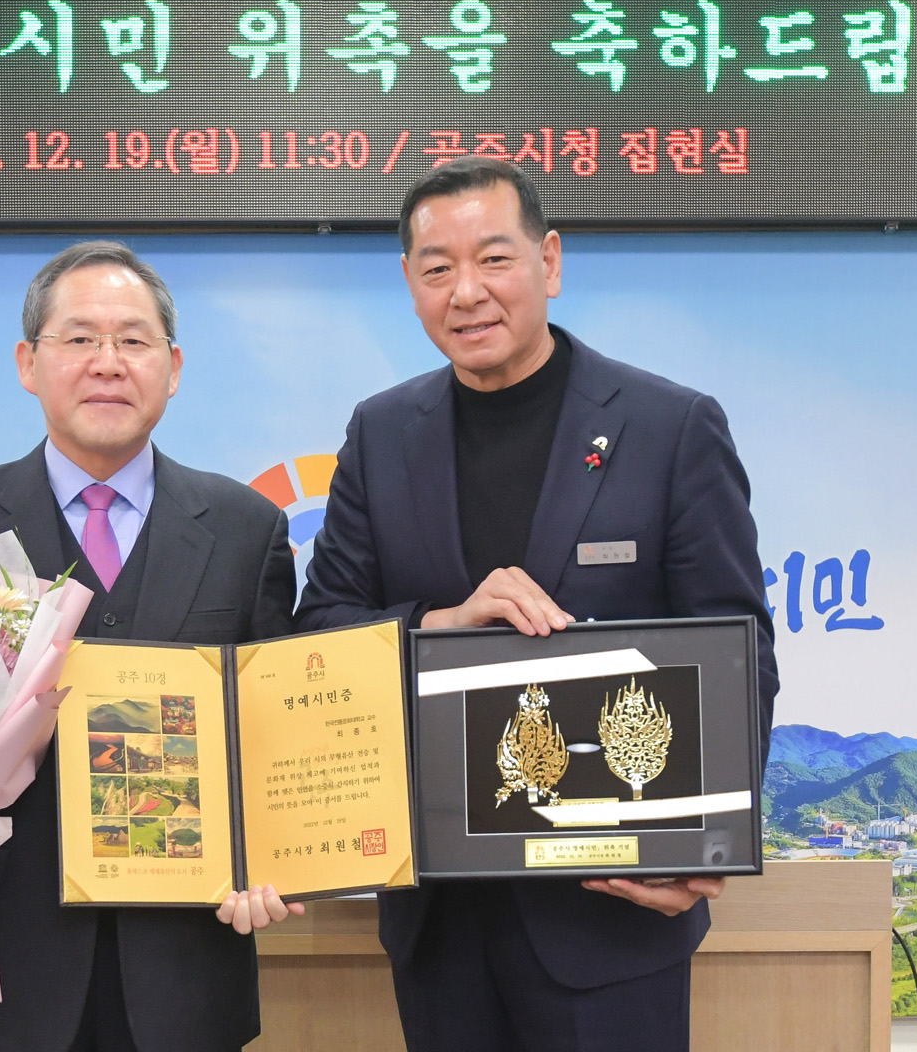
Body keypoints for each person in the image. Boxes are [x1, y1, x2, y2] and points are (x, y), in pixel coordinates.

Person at [294, 157, 780, 1052]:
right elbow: (320, 630)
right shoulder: (381, 433)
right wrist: (439, 625)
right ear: (409, 283)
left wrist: (706, 843)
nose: (466, 292)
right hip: (441, 917)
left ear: (549, 262)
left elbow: (738, 648)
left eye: (494, 259)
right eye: (437, 269)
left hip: (611, 911)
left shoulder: (668, 427)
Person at [0, 241, 302, 1052]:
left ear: (173, 368)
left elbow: (275, 737)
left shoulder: (245, 529)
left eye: (133, 340)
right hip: (1, 975)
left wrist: (283, 857)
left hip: (186, 979)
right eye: (80, 338)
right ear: (29, 363)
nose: (107, 362)